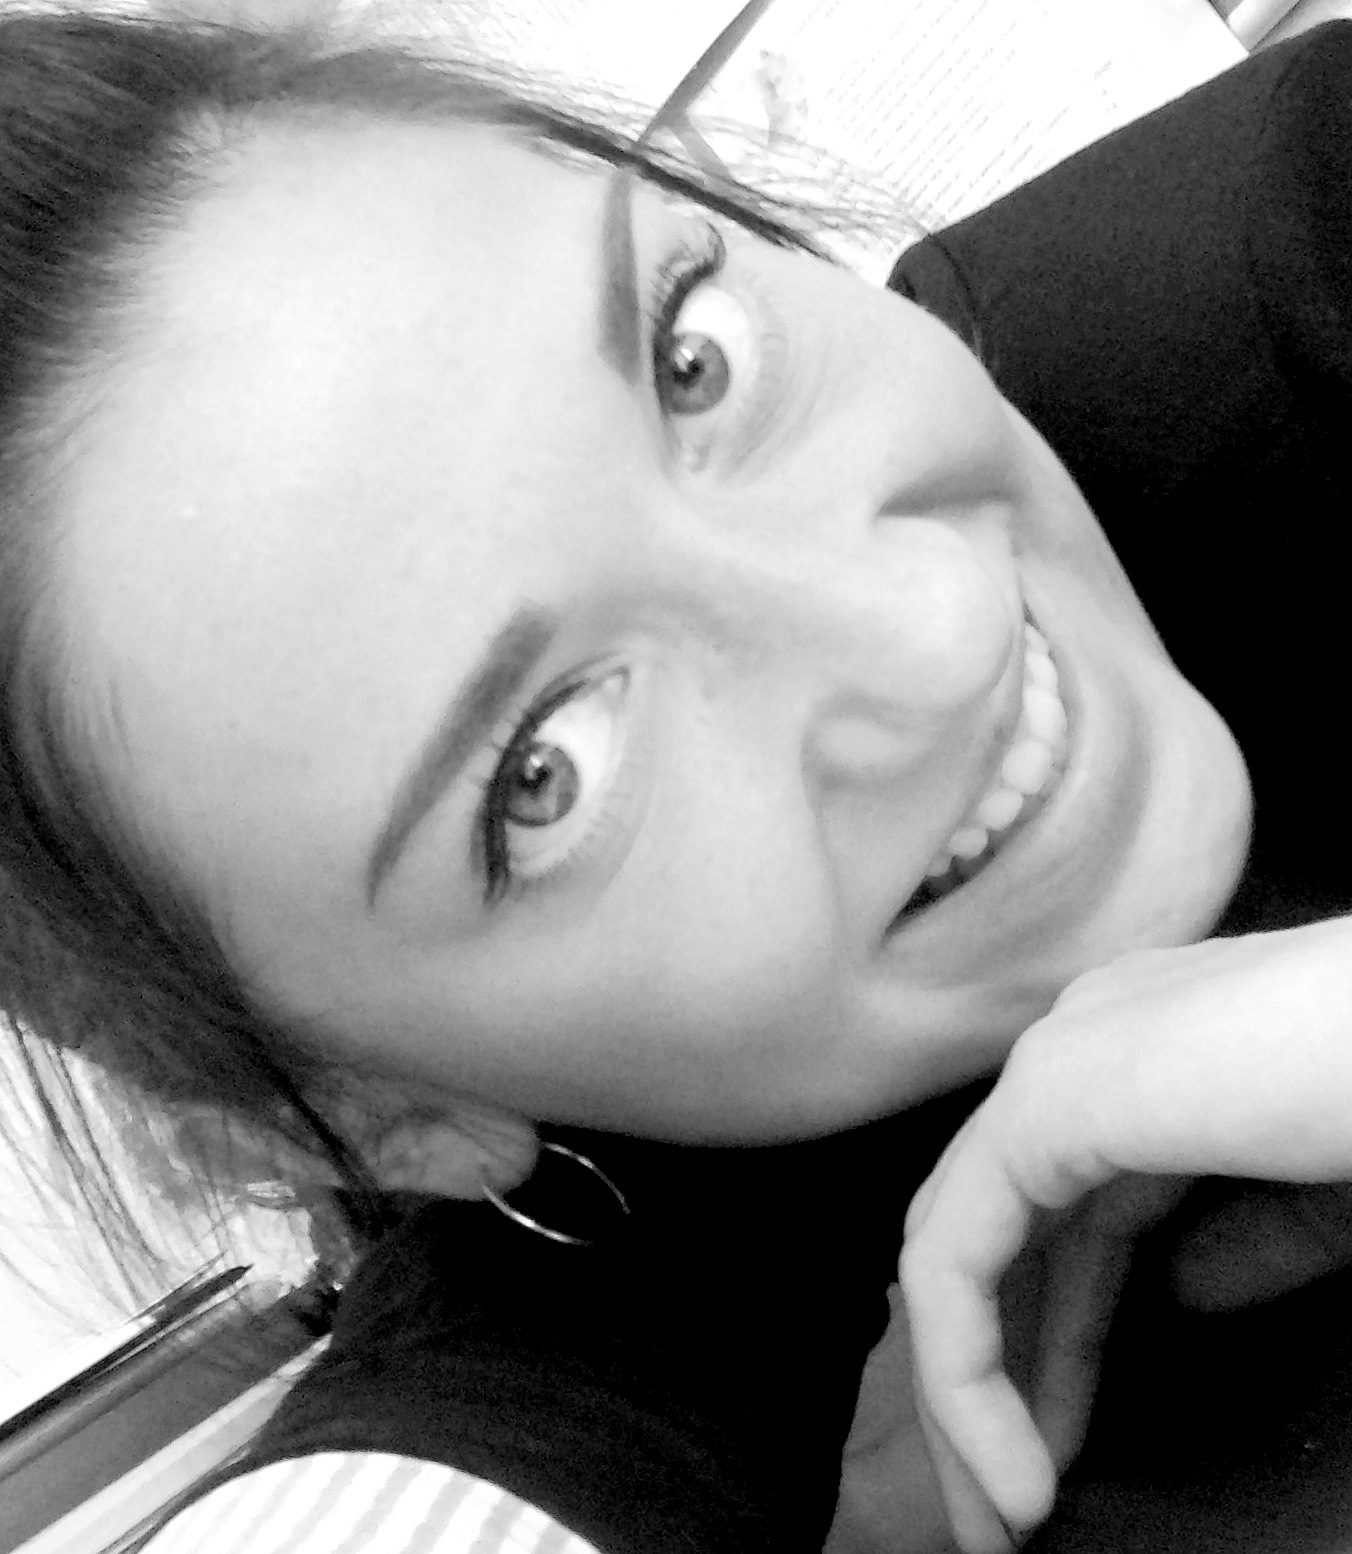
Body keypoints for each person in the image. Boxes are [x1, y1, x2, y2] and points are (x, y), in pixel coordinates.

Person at [0, 4, 1348, 1551]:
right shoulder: (571, 1370)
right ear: (382, 1121)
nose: (936, 630)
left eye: (691, 360)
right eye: (546, 772)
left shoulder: (1231, 278)